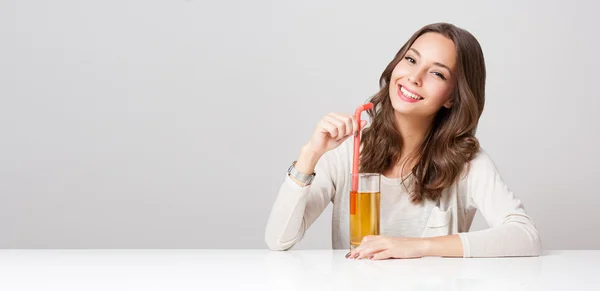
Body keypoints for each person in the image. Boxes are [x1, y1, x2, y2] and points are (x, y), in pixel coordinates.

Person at [264, 22, 541, 260]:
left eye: (437, 73)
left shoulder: (466, 163)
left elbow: (525, 235)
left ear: (453, 97)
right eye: (411, 60)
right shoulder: (348, 150)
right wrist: (311, 154)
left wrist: (415, 247)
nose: (413, 77)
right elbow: (278, 240)